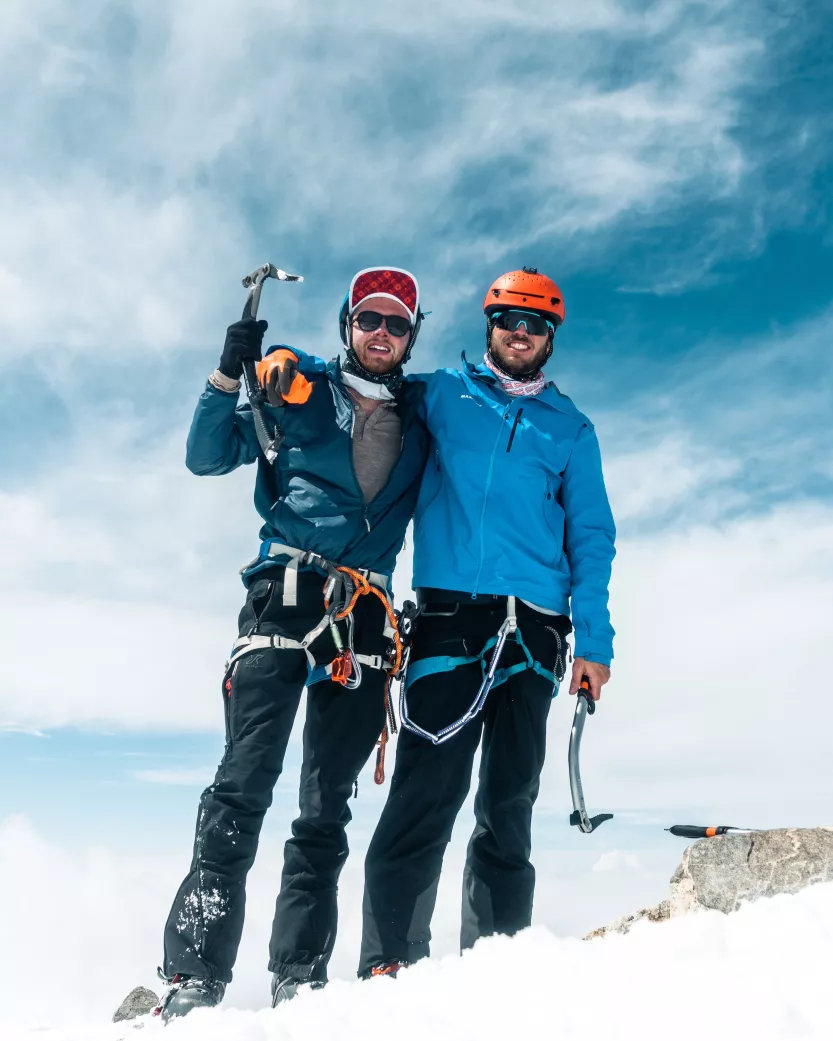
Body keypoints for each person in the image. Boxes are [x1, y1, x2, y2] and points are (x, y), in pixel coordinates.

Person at [154, 267, 429, 1020]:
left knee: (325, 804)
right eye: (369, 319)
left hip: (366, 617)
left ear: (411, 336)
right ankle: (193, 974)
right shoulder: (296, 390)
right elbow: (207, 456)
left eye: (396, 324)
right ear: (347, 323)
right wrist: (226, 374)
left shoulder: (423, 416)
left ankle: (299, 972)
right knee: (243, 782)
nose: (381, 334)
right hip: (287, 592)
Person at [358, 267, 616, 977]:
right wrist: (297, 362)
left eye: (536, 325)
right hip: (449, 624)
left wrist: (593, 639)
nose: (521, 334)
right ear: (489, 326)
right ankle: (388, 966)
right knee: (423, 793)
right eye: (509, 320)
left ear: (551, 339)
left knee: (508, 802)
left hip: (535, 634)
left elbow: (591, 538)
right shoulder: (443, 393)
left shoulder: (570, 428)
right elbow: (368, 373)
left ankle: (493, 971)